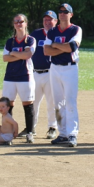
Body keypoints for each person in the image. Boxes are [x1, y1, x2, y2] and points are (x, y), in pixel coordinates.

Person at [43, 3, 82, 148]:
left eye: (65, 11)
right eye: (60, 11)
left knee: (70, 102)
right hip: (55, 68)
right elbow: (46, 51)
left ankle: (72, 134)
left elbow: (72, 47)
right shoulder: (52, 31)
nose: (62, 14)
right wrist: (63, 48)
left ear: (71, 14)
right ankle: (63, 133)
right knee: (58, 103)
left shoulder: (75, 29)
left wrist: (55, 45)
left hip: (70, 68)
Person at [2, 13, 37, 143]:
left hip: (25, 76)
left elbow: (27, 55)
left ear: (26, 23)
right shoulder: (10, 41)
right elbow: (5, 58)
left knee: (27, 104)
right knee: (8, 104)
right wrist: (20, 54)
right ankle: (8, 132)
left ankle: (30, 132)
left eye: (21, 21)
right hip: (10, 76)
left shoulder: (30, 40)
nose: (18, 24)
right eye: (16, 21)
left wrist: (13, 53)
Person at [30, 10, 59, 140]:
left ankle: (52, 127)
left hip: (50, 72)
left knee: (51, 102)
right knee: (32, 102)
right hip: (35, 72)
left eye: (50, 19)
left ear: (56, 21)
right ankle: (31, 127)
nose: (47, 22)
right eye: (45, 19)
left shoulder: (57, 34)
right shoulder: (35, 34)